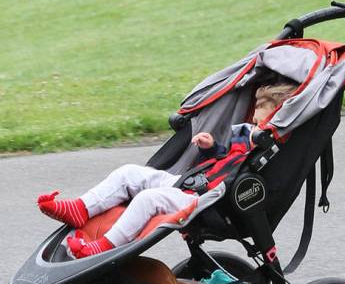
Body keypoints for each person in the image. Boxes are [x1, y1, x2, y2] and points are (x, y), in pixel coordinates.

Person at [38, 79, 297, 258]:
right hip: (187, 182)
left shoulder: (271, 147)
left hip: (205, 200)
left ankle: (104, 246)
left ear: (278, 115)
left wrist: (257, 141)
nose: (253, 118)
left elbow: (238, 176)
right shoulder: (245, 136)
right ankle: (81, 208)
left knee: (147, 200)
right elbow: (224, 160)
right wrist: (211, 148)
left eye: (261, 112)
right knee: (128, 172)